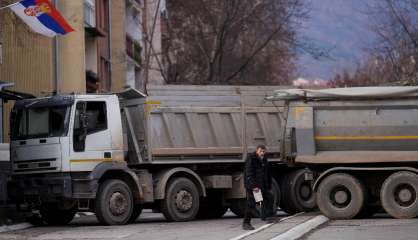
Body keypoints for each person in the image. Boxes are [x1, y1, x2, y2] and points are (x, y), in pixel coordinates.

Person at [242, 144, 277, 230]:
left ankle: (269, 217)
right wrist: (253, 186)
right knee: (251, 204)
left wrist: (268, 185)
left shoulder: (264, 159)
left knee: (269, 197)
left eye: (264, 151)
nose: (262, 153)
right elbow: (249, 174)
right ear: (257, 150)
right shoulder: (251, 159)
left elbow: (267, 173)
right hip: (254, 186)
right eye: (261, 151)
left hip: (262, 186)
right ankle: (246, 223)